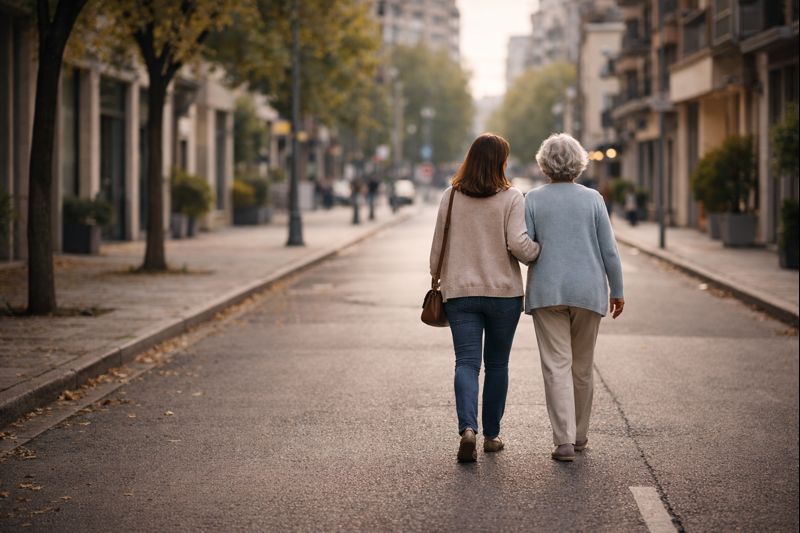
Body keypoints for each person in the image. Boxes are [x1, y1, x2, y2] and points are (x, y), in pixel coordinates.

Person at [429, 133, 541, 463]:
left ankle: (468, 429)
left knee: (466, 363)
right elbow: (519, 245)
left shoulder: (451, 196)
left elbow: (437, 247)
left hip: (460, 293)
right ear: (501, 162)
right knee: (497, 365)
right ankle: (491, 436)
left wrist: (437, 276)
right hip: (503, 294)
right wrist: (537, 252)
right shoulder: (512, 197)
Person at [523, 133, 624, 462]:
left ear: (544, 165)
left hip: (547, 291)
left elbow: (526, 249)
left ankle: (563, 441)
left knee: (556, 366)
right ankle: (580, 435)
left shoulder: (532, 200)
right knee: (582, 367)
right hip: (588, 291)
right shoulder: (593, 199)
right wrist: (617, 290)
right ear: (579, 164)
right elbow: (610, 251)